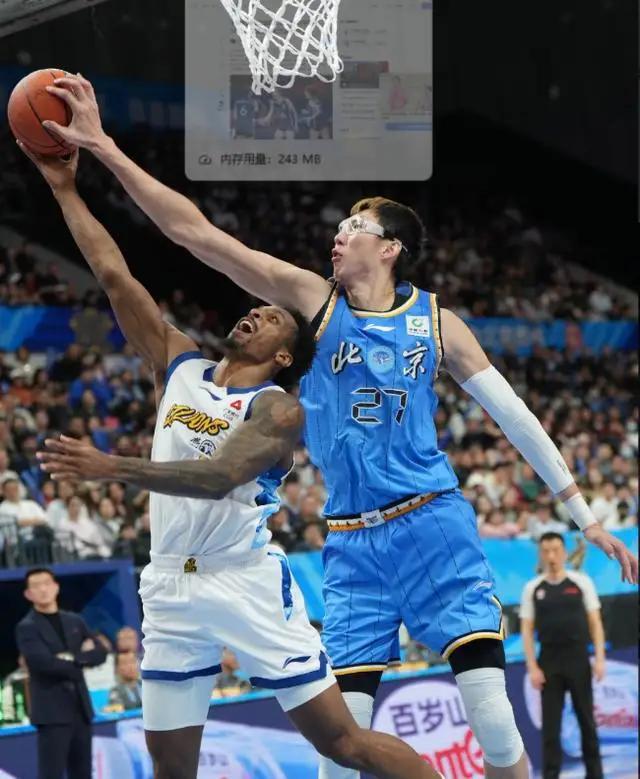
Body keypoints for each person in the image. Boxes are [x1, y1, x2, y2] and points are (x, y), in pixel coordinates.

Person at [43, 74, 638, 779]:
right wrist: (103, 148)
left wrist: (581, 513)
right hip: (351, 538)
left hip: (431, 519)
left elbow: (514, 415)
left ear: (390, 248)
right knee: (341, 751)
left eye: (355, 228)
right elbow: (194, 233)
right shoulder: (313, 302)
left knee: (490, 711)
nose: (339, 234)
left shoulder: (439, 323)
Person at [25, 142, 440, 779]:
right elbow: (114, 275)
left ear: (283, 356)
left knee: (342, 743)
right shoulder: (180, 366)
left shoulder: (278, 409)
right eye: (255, 309)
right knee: (171, 769)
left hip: (243, 582)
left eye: (270, 318)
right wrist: (64, 188)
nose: (254, 313)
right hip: (169, 583)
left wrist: (114, 468)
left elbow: (218, 477)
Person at [520, 533, 605, 779]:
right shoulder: (533, 588)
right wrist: (532, 667)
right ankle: (551, 775)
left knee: (587, 721)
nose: (552, 556)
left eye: (556, 550)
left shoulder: (581, 582)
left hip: (578, 658)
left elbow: (595, 623)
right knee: (551, 727)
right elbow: (526, 630)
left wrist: (600, 658)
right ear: (540, 555)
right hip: (549, 662)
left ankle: (595, 774)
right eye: (546, 551)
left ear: (565, 552)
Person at [15, 567, 107, 779]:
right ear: (28, 594)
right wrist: (81, 658)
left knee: (83, 773)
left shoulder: (75, 620)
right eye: (36, 586)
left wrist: (70, 658)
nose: (43, 589)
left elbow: (100, 651)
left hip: (81, 709)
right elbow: (42, 663)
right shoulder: (27, 627)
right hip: (52, 713)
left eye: (47, 583)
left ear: (56, 587)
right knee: (51, 774)